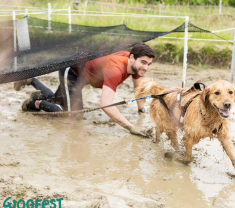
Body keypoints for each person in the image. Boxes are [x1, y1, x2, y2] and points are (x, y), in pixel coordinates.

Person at [14, 43, 154, 137]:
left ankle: (31, 80)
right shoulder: (116, 70)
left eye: (149, 64)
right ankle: (34, 103)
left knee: (58, 102)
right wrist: (131, 127)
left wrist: (141, 111)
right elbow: (105, 104)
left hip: (85, 74)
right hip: (73, 70)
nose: (146, 68)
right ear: (131, 58)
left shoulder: (135, 66)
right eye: (143, 62)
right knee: (70, 115)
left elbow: (138, 87)